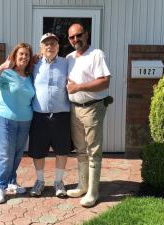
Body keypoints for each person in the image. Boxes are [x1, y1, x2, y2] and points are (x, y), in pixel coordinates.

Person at [66, 23, 111, 207]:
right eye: (72, 37)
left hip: (92, 108)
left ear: (87, 34)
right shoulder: (69, 58)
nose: (76, 39)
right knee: (81, 149)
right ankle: (82, 186)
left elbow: (105, 82)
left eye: (79, 35)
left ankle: (93, 192)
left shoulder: (96, 54)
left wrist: (78, 87)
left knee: (93, 150)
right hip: (74, 109)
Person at [0, 43, 35, 204]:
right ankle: (0, 187)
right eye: (21, 54)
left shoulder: (29, 76)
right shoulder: (6, 72)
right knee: (5, 155)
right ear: (14, 55)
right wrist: (0, 68)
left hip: (24, 121)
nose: (24, 57)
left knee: (17, 154)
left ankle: (11, 183)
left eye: (27, 55)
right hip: (3, 119)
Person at [28, 33, 71, 197]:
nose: (49, 47)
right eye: (46, 44)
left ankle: (59, 182)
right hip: (39, 116)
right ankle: (40, 181)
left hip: (61, 116)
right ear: (41, 47)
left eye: (53, 43)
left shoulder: (66, 63)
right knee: (38, 151)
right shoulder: (34, 64)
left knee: (62, 151)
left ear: (58, 47)